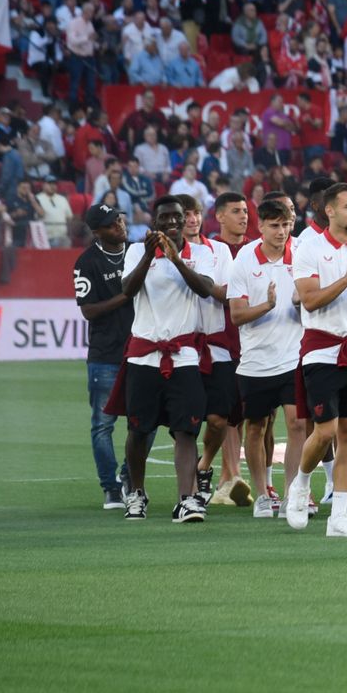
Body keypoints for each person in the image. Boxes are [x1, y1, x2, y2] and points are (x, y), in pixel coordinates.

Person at [108, 196, 220, 521]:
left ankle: (186, 499)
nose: (171, 223)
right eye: (164, 218)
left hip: (183, 355)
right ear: (154, 222)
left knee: (186, 430)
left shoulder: (199, 254)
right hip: (144, 356)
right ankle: (137, 494)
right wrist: (149, 255)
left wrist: (176, 259)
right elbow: (127, 290)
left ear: (186, 219)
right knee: (138, 430)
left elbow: (204, 289)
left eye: (177, 217)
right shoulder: (134, 251)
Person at [284, 183, 347, 538]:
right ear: (329, 211)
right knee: (324, 430)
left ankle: (339, 516)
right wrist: (346, 276)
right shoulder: (308, 248)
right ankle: (300, 484)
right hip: (321, 351)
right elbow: (309, 301)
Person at [228, 198, 306, 518]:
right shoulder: (245, 259)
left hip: (294, 356)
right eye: (274, 225)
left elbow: (314, 298)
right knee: (257, 427)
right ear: (260, 226)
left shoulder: (302, 253)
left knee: (298, 423)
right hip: (256, 360)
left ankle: (291, 493)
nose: (281, 231)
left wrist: (304, 302)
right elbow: (235, 315)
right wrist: (268, 305)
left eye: (286, 224)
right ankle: (262, 494)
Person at [180, 194, 248, 509]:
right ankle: (190, 487)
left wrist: (197, 281)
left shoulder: (218, 250)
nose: (191, 219)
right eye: (185, 215)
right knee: (183, 420)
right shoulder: (154, 253)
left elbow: (228, 294)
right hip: (178, 347)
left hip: (216, 345)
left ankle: (205, 465)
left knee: (220, 418)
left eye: (195, 213)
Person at [73, 205, 140, 508]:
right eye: (111, 224)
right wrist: (124, 297)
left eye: (120, 219)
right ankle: (109, 487)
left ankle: (129, 475)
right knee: (103, 425)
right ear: (97, 231)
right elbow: (88, 310)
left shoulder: (138, 252)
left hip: (141, 349)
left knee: (144, 422)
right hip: (105, 354)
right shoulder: (87, 262)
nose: (120, 225)